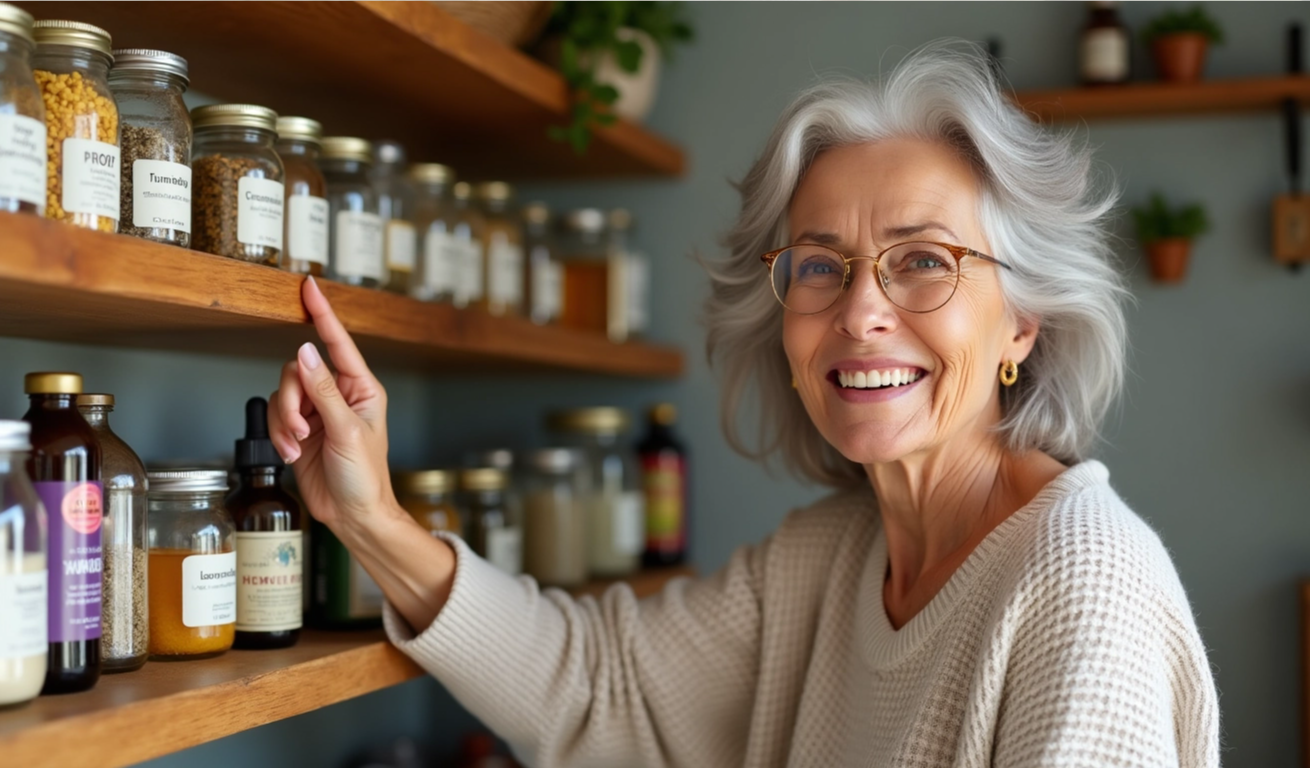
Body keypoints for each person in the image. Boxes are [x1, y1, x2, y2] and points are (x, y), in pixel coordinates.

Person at [268, 43, 1219, 767]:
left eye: (923, 260)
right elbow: (599, 688)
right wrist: (368, 518)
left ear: (1023, 323)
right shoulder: (826, 557)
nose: (859, 312)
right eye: (819, 265)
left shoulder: (1086, 583)